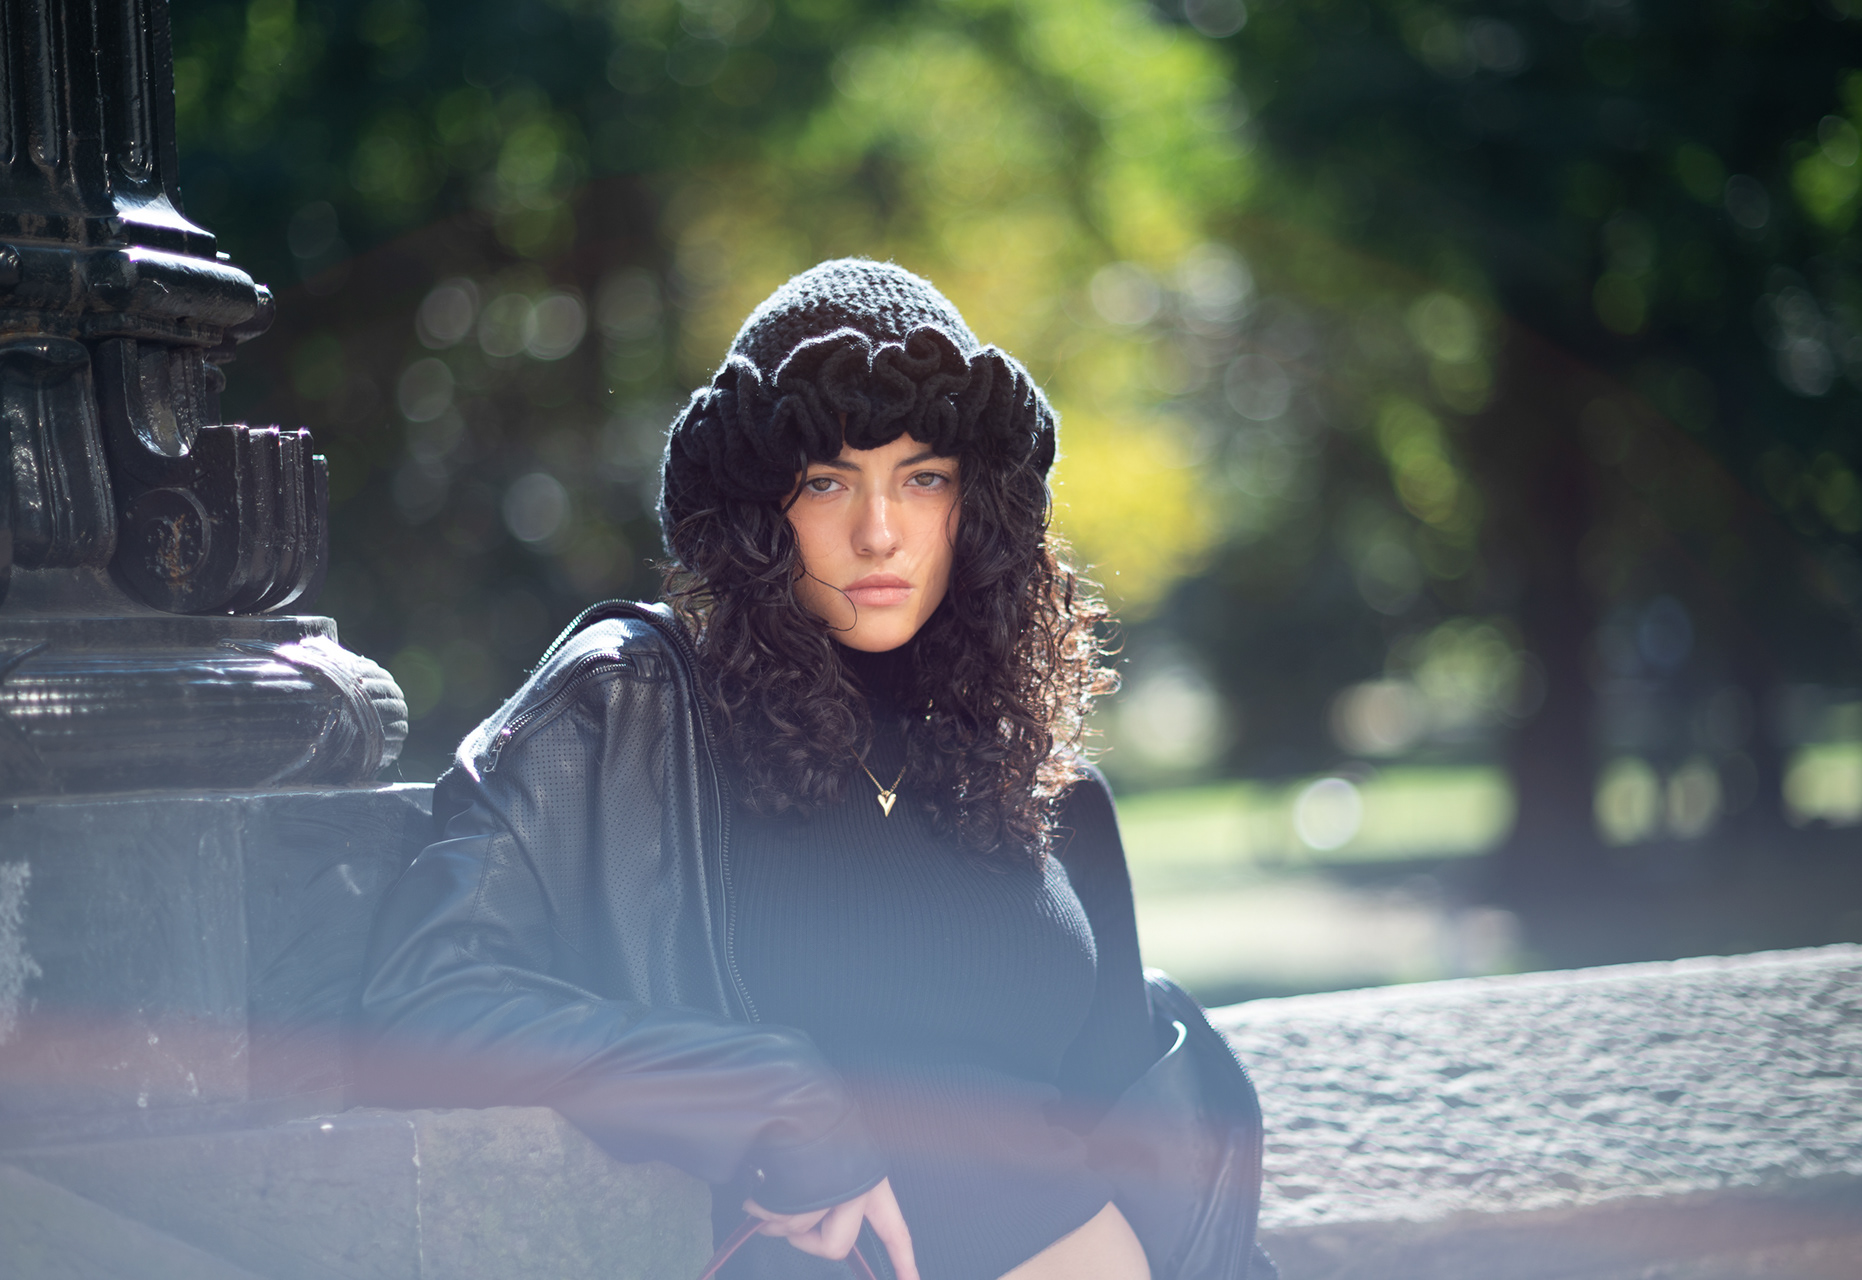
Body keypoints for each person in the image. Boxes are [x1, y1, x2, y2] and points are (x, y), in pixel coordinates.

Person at [357, 260, 1272, 1280]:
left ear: (976, 506)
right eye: (827, 482)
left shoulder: (1047, 788)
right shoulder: (634, 712)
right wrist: (768, 1095)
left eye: (923, 477)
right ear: (757, 510)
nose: (878, 533)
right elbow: (421, 999)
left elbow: (1127, 1124)